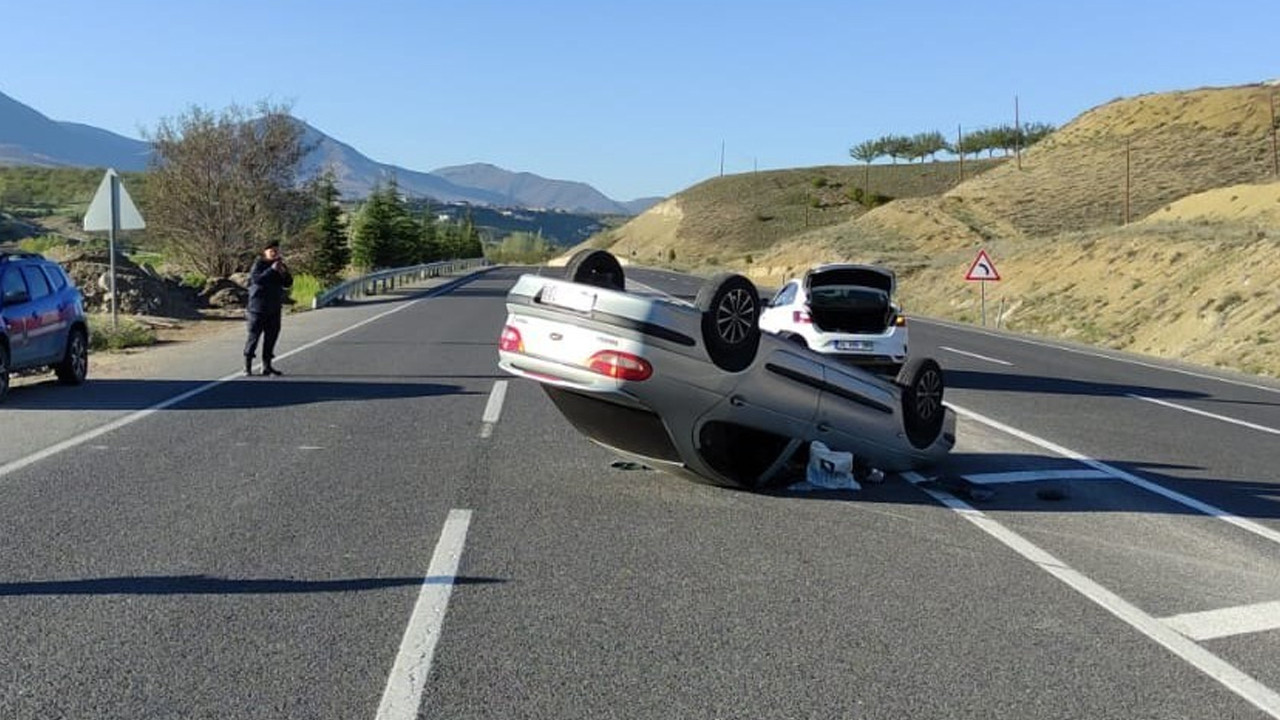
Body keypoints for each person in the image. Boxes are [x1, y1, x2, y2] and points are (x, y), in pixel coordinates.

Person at [243, 241, 293, 376]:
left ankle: (267, 366)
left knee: (271, 338)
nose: (275, 253)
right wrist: (271, 270)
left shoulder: (280, 265)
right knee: (254, 337)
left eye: (277, 251)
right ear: (265, 252)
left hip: (274, 308)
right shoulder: (258, 265)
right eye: (272, 251)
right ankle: (247, 366)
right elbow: (258, 280)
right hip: (258, 309)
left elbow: (288, 283)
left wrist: (283, 272)